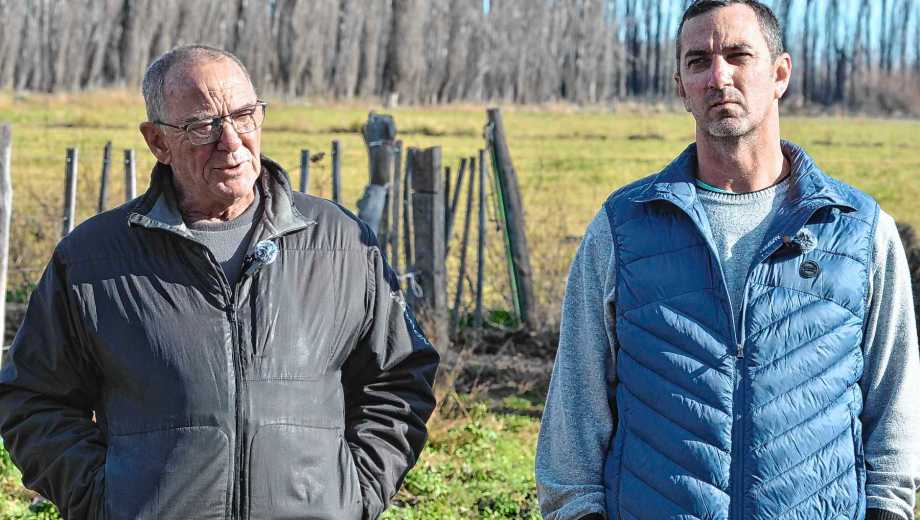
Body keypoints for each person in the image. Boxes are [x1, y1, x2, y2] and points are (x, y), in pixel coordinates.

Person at [0, 45, 439, 520]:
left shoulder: (340, 245)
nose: (231, 141)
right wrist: (102, 501)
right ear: (157, 141)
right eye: (202, 125)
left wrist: (354, 494)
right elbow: (33, 399)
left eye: (245, 115)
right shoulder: (94, 260)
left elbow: (399, 378)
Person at [535, 1, 920, 519]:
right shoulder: (623, 229)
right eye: (698, 62)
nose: (719, 77)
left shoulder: (856, 230)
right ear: (681, 87)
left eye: (738, 55)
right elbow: (574, 417)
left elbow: (894, 405)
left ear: (779, 73)